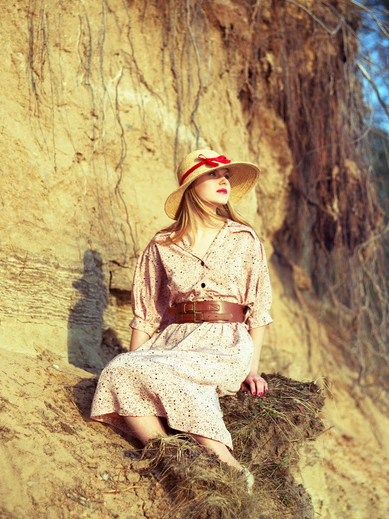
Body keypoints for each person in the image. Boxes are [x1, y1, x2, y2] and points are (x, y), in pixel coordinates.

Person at [90, 148, 272, 488]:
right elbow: (146, 315)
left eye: (226, 175)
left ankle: (231, 468)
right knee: (118, 369)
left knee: (167, 374)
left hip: (225, 343)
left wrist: (251, 369)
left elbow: (258, 311)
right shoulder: (161, 244)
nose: (223, 180)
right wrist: (134, 360)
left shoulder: (244, 239)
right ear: (190, 186)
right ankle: (168, 455)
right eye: (212, 174)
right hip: (175, 341)